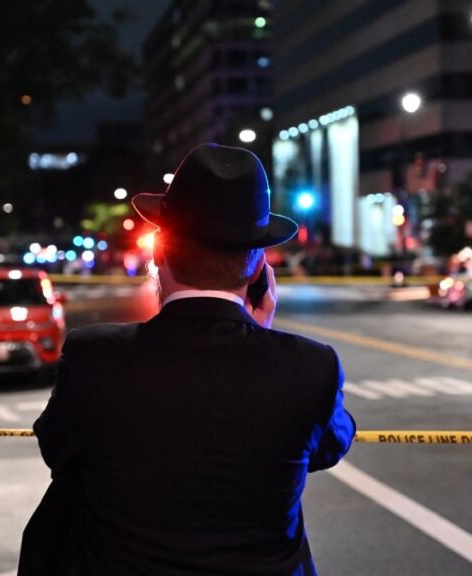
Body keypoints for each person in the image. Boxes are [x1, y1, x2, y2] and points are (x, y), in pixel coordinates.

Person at [19, 143, 355, 575]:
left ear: (159, 254)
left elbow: (57, 448)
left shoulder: (92, 358)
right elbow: (330, 444)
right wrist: (260, 337)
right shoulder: (311, 369)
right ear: (258, 270)